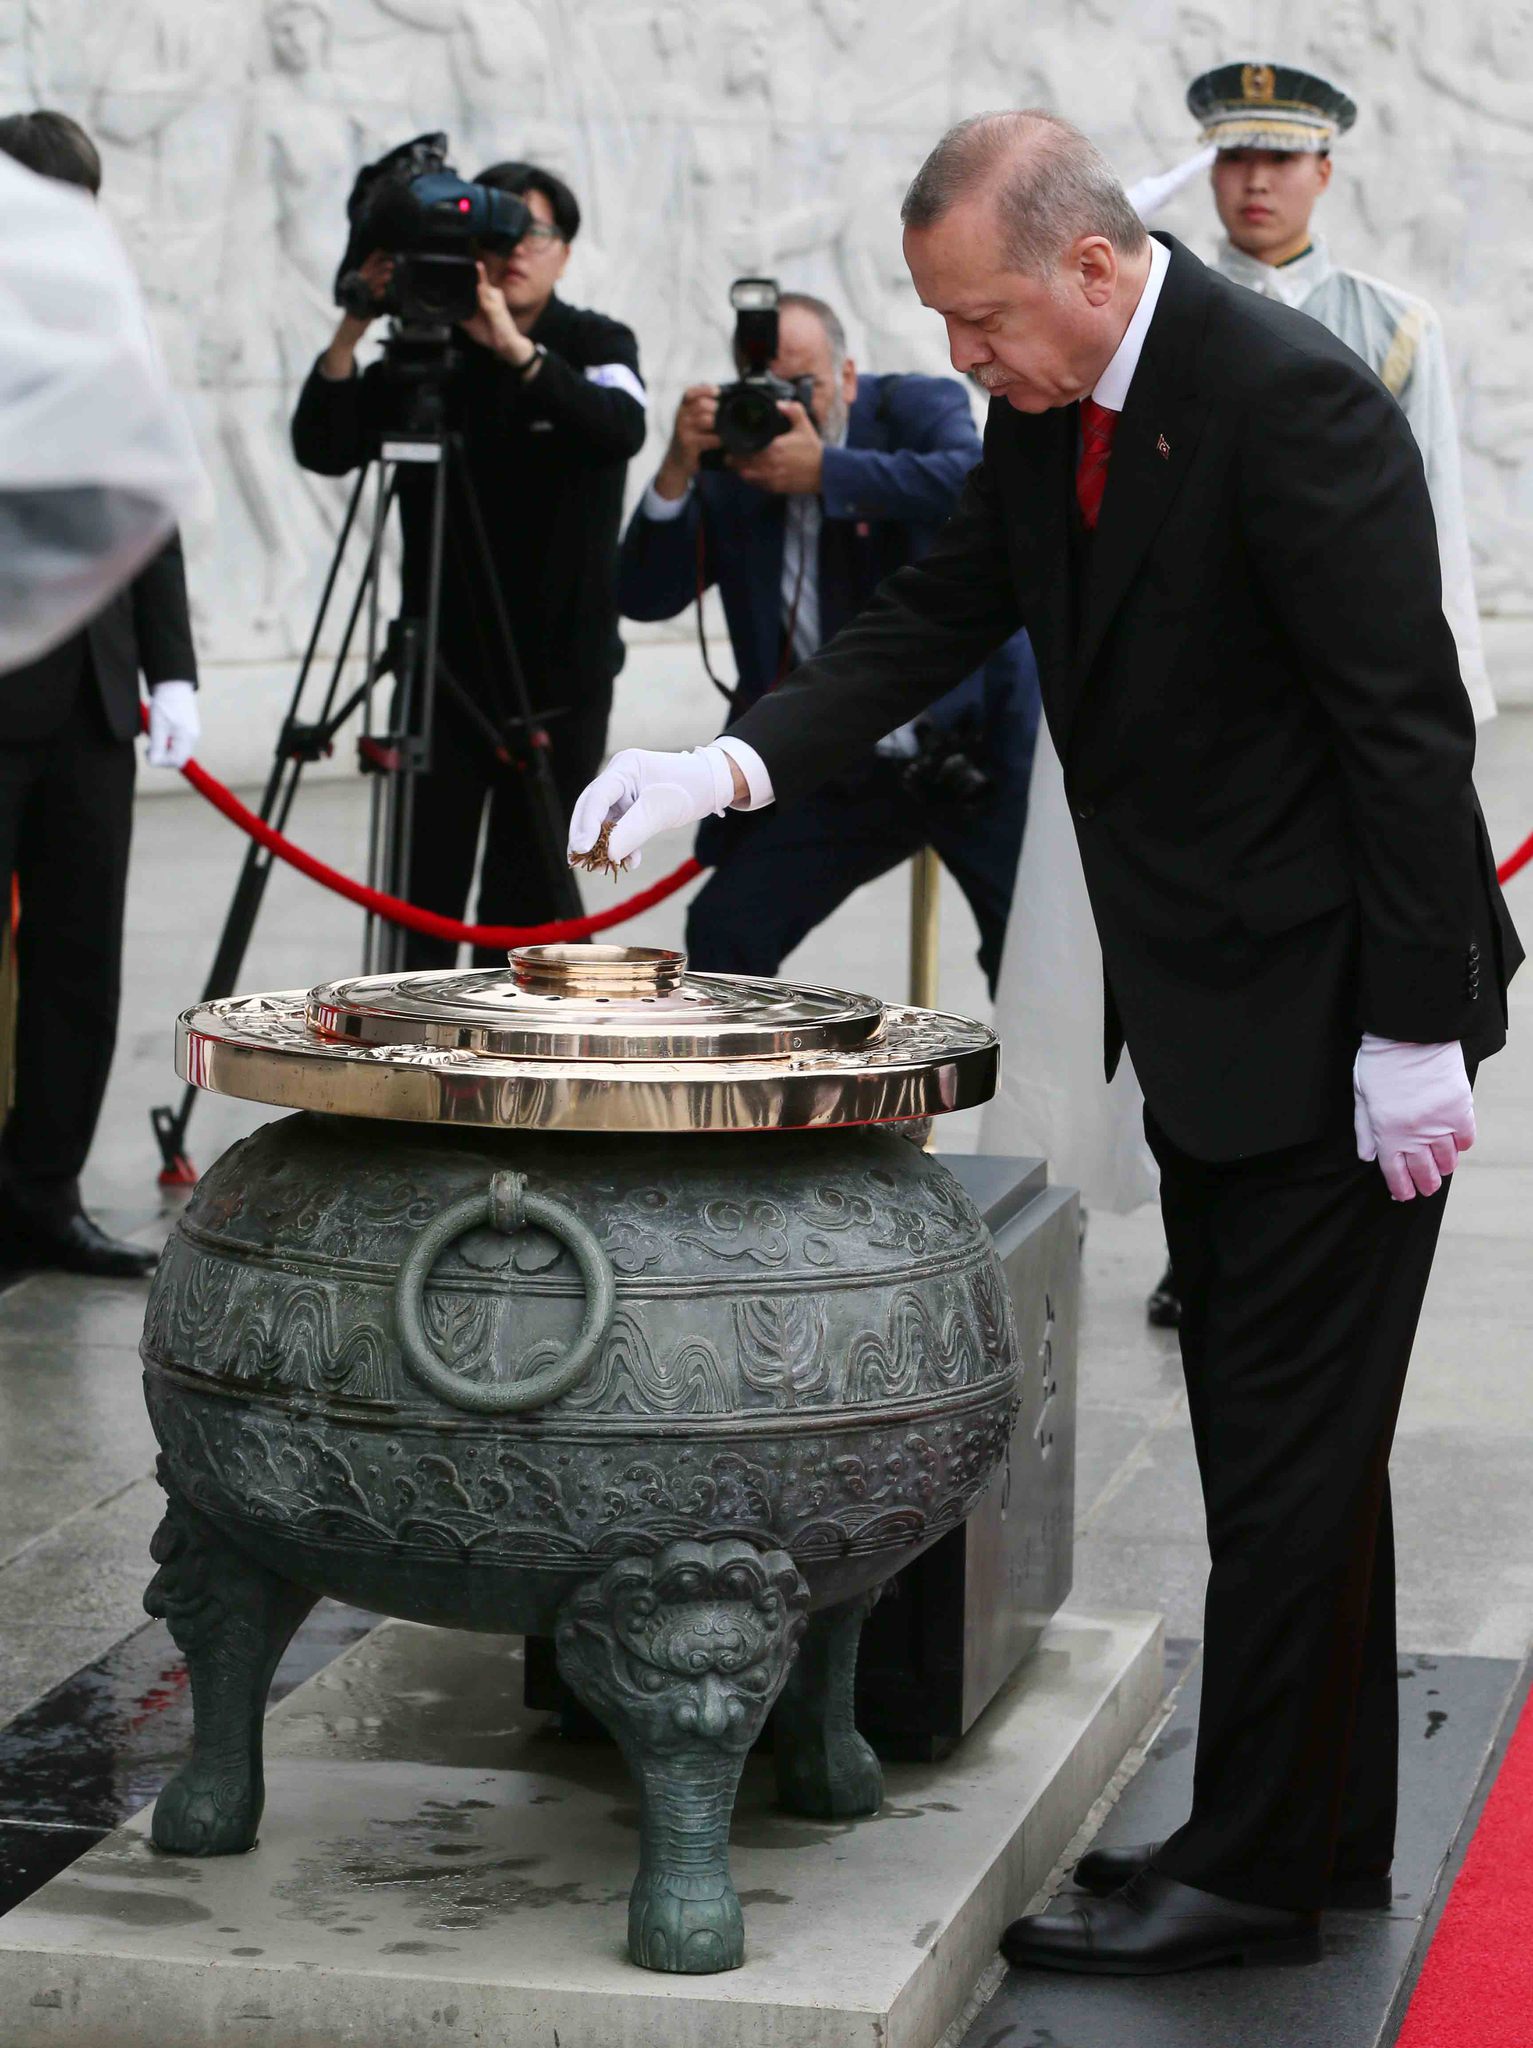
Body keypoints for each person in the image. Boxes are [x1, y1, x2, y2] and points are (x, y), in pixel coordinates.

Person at [570, 110, 1521, 1976]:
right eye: (945, 324)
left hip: (1335, 1011)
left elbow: (1404, 727)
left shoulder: (1290, 402)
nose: (961, 360)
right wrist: (735, 758)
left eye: (980, 318)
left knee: (1271, 1448)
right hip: (1224, 995)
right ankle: (1311, 1834)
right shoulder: (1049, 401)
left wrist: (1410, 1027)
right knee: (1300, 1441)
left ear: (1089, 269)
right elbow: (939, 610)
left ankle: (1246, 1867)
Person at [1133, 61, 1499, 1328]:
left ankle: (1313, 1208)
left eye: (1280, 159)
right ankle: (1201, 1229)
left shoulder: (1391, 323)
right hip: (1200, 720)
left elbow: (1435, 524)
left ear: (1325, 172)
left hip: (1348, 708)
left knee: (1341, 960)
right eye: (1235, 158)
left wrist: (1452, 704)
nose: (1255, 181)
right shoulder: (1153, 306)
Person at [618, 289, 1039, 988]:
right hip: (836, 764)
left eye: (801, 383)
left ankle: (1043, 1098)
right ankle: (747, 1093)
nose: (782, 406)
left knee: (1031, 957)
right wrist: (675, 467)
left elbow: (971, 480)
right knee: (726, 927)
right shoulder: (732, 454)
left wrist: (829, 473)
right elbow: (642, 596)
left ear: (846, 377)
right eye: (765, 385)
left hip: (975, 748)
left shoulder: (909, 407)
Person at [291, 158, 646, 966]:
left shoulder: (595, 342)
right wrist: (355, 322)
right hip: (441, 683)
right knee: (421, 910)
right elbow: (325, 445)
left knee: (523, 926)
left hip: (558, 688)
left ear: (565, 251)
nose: (518, 248)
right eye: (501, 232)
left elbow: (619, 425)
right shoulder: (430, 348)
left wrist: (516, 351)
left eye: (538, 232)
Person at [0, 110, 203, 1281]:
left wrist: (168, 665)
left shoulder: (101, 326)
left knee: (83, 957)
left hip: (89, 702)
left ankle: (43, 1191)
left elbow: (147, 508)